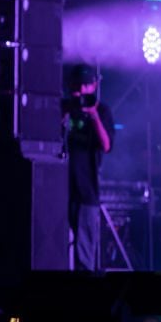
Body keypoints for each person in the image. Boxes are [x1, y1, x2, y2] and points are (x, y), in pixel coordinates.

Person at [63, 64, 114, 271]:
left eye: (86, 85)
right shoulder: (63, 107)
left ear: (94, 85)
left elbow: (106, 145)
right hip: (59, 190)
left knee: (85, 256)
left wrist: (93, 116)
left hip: (86, 191)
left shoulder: (102, 111)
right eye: (78, 85)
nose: (82, 89)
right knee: (50, 246)